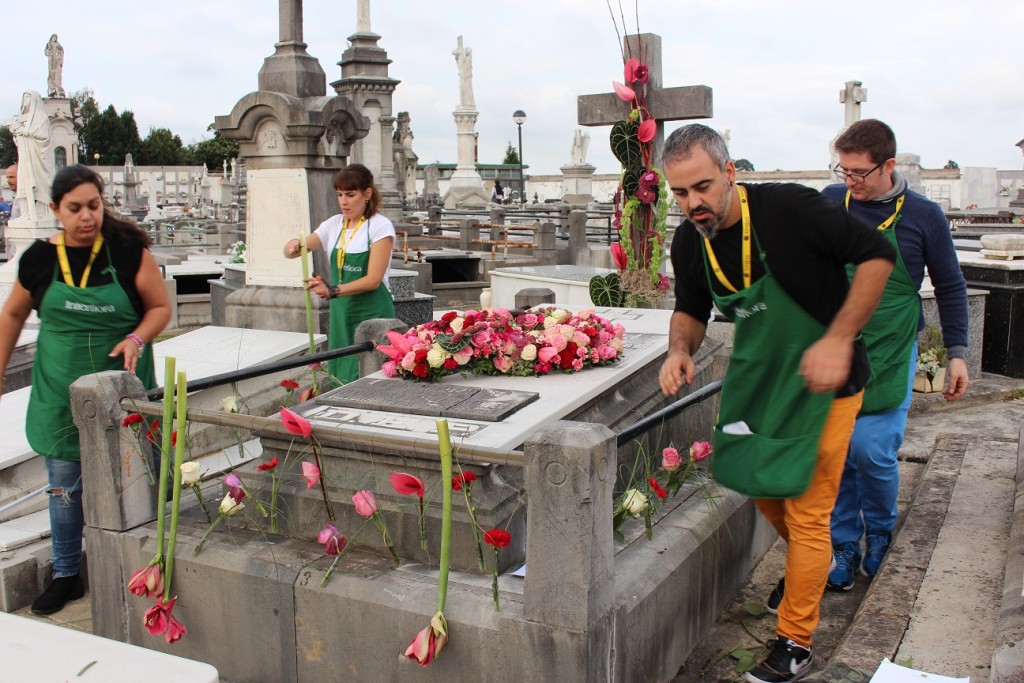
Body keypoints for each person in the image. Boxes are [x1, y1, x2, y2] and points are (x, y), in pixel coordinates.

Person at [657, 124, 895, 683]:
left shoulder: (790, 209)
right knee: (764, 493)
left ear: (731, 172)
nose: (693, 203)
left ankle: (795, 640)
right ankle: (809, 568)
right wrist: (678, 350)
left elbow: (877, 257)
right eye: (680, 193)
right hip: (761, 385)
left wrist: (838, 339)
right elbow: (690, 308)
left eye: (702, 187)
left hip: (825, 387)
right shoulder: (691, 240)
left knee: (809, 512)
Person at [0, 165, 171, 615]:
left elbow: (158, 308)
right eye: (74, 209)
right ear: (56, 210)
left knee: (139, 477)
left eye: (93, 206)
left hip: (123, 391)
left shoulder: (127, 251)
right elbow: (14, 315)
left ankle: (146, 562)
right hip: (60, 392)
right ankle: (66, 574)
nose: (86, 217)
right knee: (63, 488)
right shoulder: (38, 260)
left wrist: (136, 338)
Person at [822, 119, 969, 591]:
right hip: (836, 349)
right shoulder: (830, 202)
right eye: (843, 170)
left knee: (872, 450)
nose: (849, 181)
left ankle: (880, 532)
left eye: (858, 173)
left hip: (889, 348)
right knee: (838, 452)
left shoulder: (923, 216)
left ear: (888, 165)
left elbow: (950, 285)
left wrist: (957, 353)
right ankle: (844, 541)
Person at [283, 163, 395, 384]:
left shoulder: (380, 226)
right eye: (340, 194)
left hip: (372, 310)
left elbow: (373, 280)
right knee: (341, 367)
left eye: (350, 194)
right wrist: (293, 246)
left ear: (367, 194)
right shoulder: (334, 225)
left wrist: (333, 290)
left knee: (370, 371)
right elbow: (298, 250)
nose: (344, 201)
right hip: (342, 312)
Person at [5, 92, 53, 222]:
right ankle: (26, 213)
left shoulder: (41, 118)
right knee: (24, 185)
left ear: (35, 100)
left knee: (39, 185)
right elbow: (19, 140)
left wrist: (22, 131)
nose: (25, 99)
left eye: (28, 97)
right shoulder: (23, 119)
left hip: (38, 159)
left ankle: (42, 213)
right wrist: (16, 132)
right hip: (26, 159)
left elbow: (42, 136)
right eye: (24, 97)